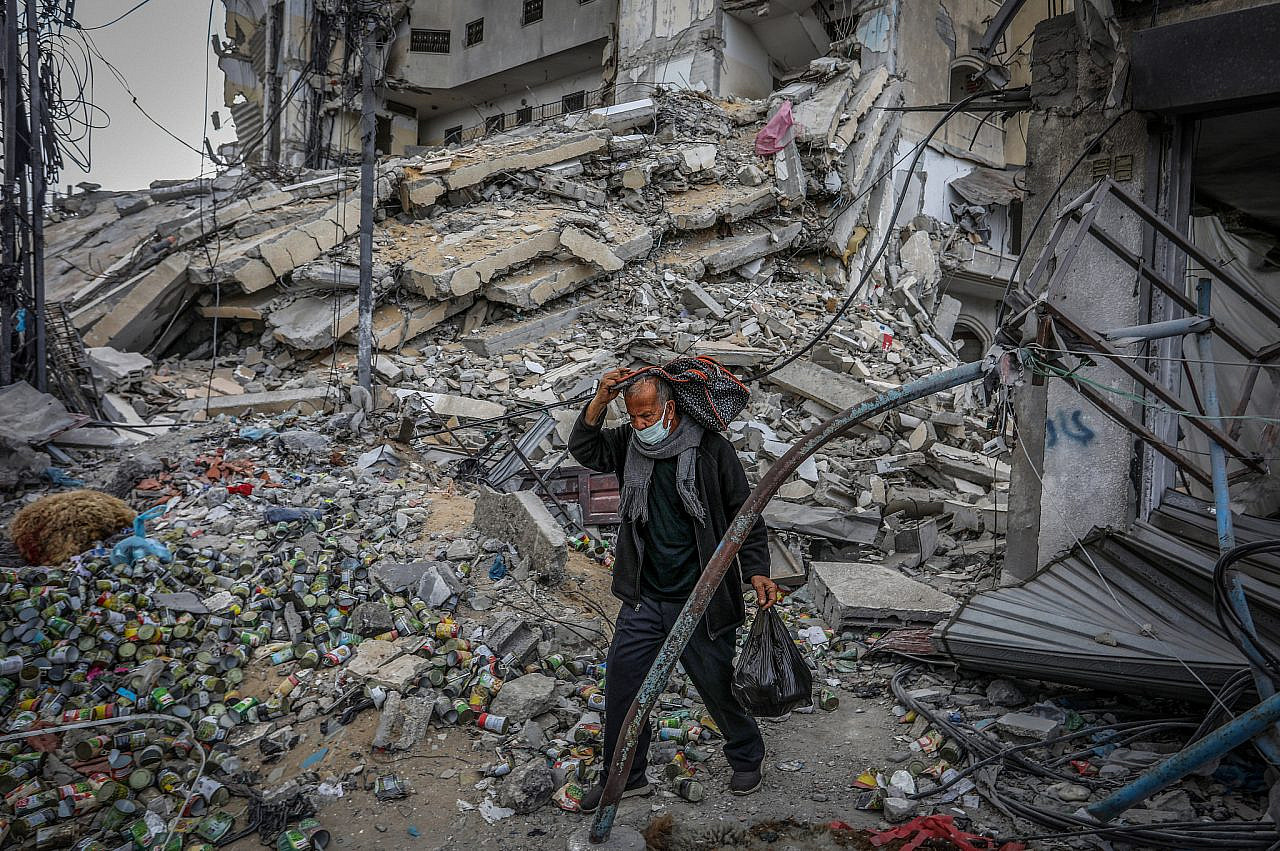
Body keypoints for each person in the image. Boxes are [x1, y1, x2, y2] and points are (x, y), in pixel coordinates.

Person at [568, 366, 778, 812]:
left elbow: (746, 512)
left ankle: (746, 756)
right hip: (644, 596)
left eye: (647, 416)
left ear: (669, 408)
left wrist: (757, 570)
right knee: (625, 688)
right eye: (634, 417)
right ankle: (625, 776)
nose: (640, 425)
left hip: (701, 597)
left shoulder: (709, 449)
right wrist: (601, 400)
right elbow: (584, 448)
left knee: (717, 685)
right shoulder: (628, 444)